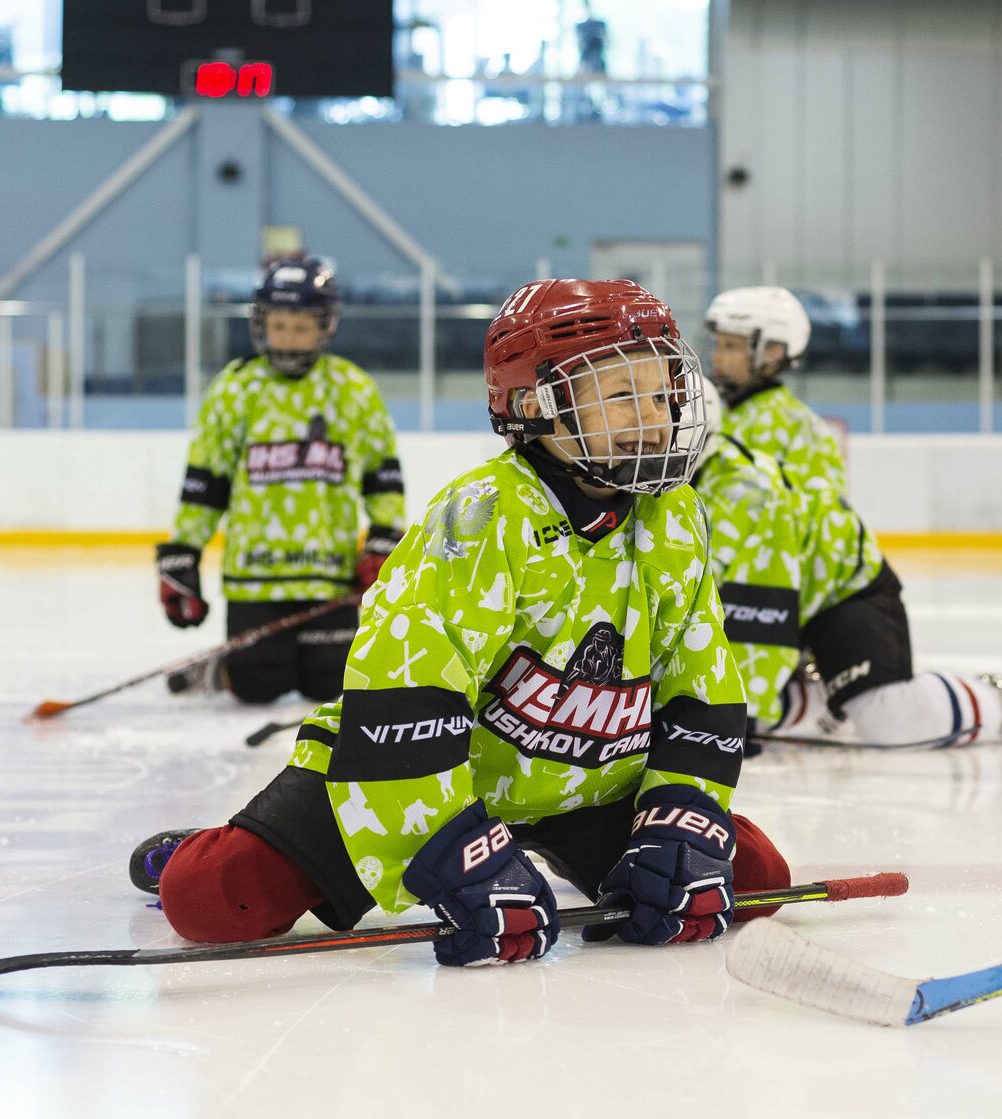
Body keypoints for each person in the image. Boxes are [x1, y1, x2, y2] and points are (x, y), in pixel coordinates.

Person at [132, 279, 791, 965]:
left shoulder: (674, 514)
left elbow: (703, 682)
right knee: (212, 897)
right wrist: (455, 847)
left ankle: (560, 846)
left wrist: (679, 819)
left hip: (588, 779)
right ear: (539, 404)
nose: (654, 418)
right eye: (624, 395)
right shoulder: (481, 517)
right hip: (431, 774)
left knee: (757, 880)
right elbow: (403, 694)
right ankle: (196, 846)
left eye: (661, 394)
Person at [691, 377, 1002, 750]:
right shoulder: (686, 483)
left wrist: (735, 717)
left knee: (887, 719)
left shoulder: (744, 493)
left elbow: (761, 608)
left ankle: (1000, 702)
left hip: (845, 592)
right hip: (803, 596)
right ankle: (824, 691)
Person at [156, 257, 404, 704]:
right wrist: (183, 552)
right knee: (258, 684)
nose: (288, 337)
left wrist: (385, 536)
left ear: (325, 327)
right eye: (279, 325)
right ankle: (222, 672)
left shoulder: (352, 389)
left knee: (329, 683)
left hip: (328, 575)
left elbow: (381, 475)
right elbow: (205, 481)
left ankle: (237, 665)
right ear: (260, 323)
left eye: (301, 327)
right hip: (256, 574)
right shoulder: (236, 389)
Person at [705, 286, 847, 493]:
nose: (716, 356)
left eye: (730, 346)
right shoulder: (721, 414)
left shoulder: (801, 428)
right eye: (717, 345)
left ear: (772, 352)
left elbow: (825, 512)